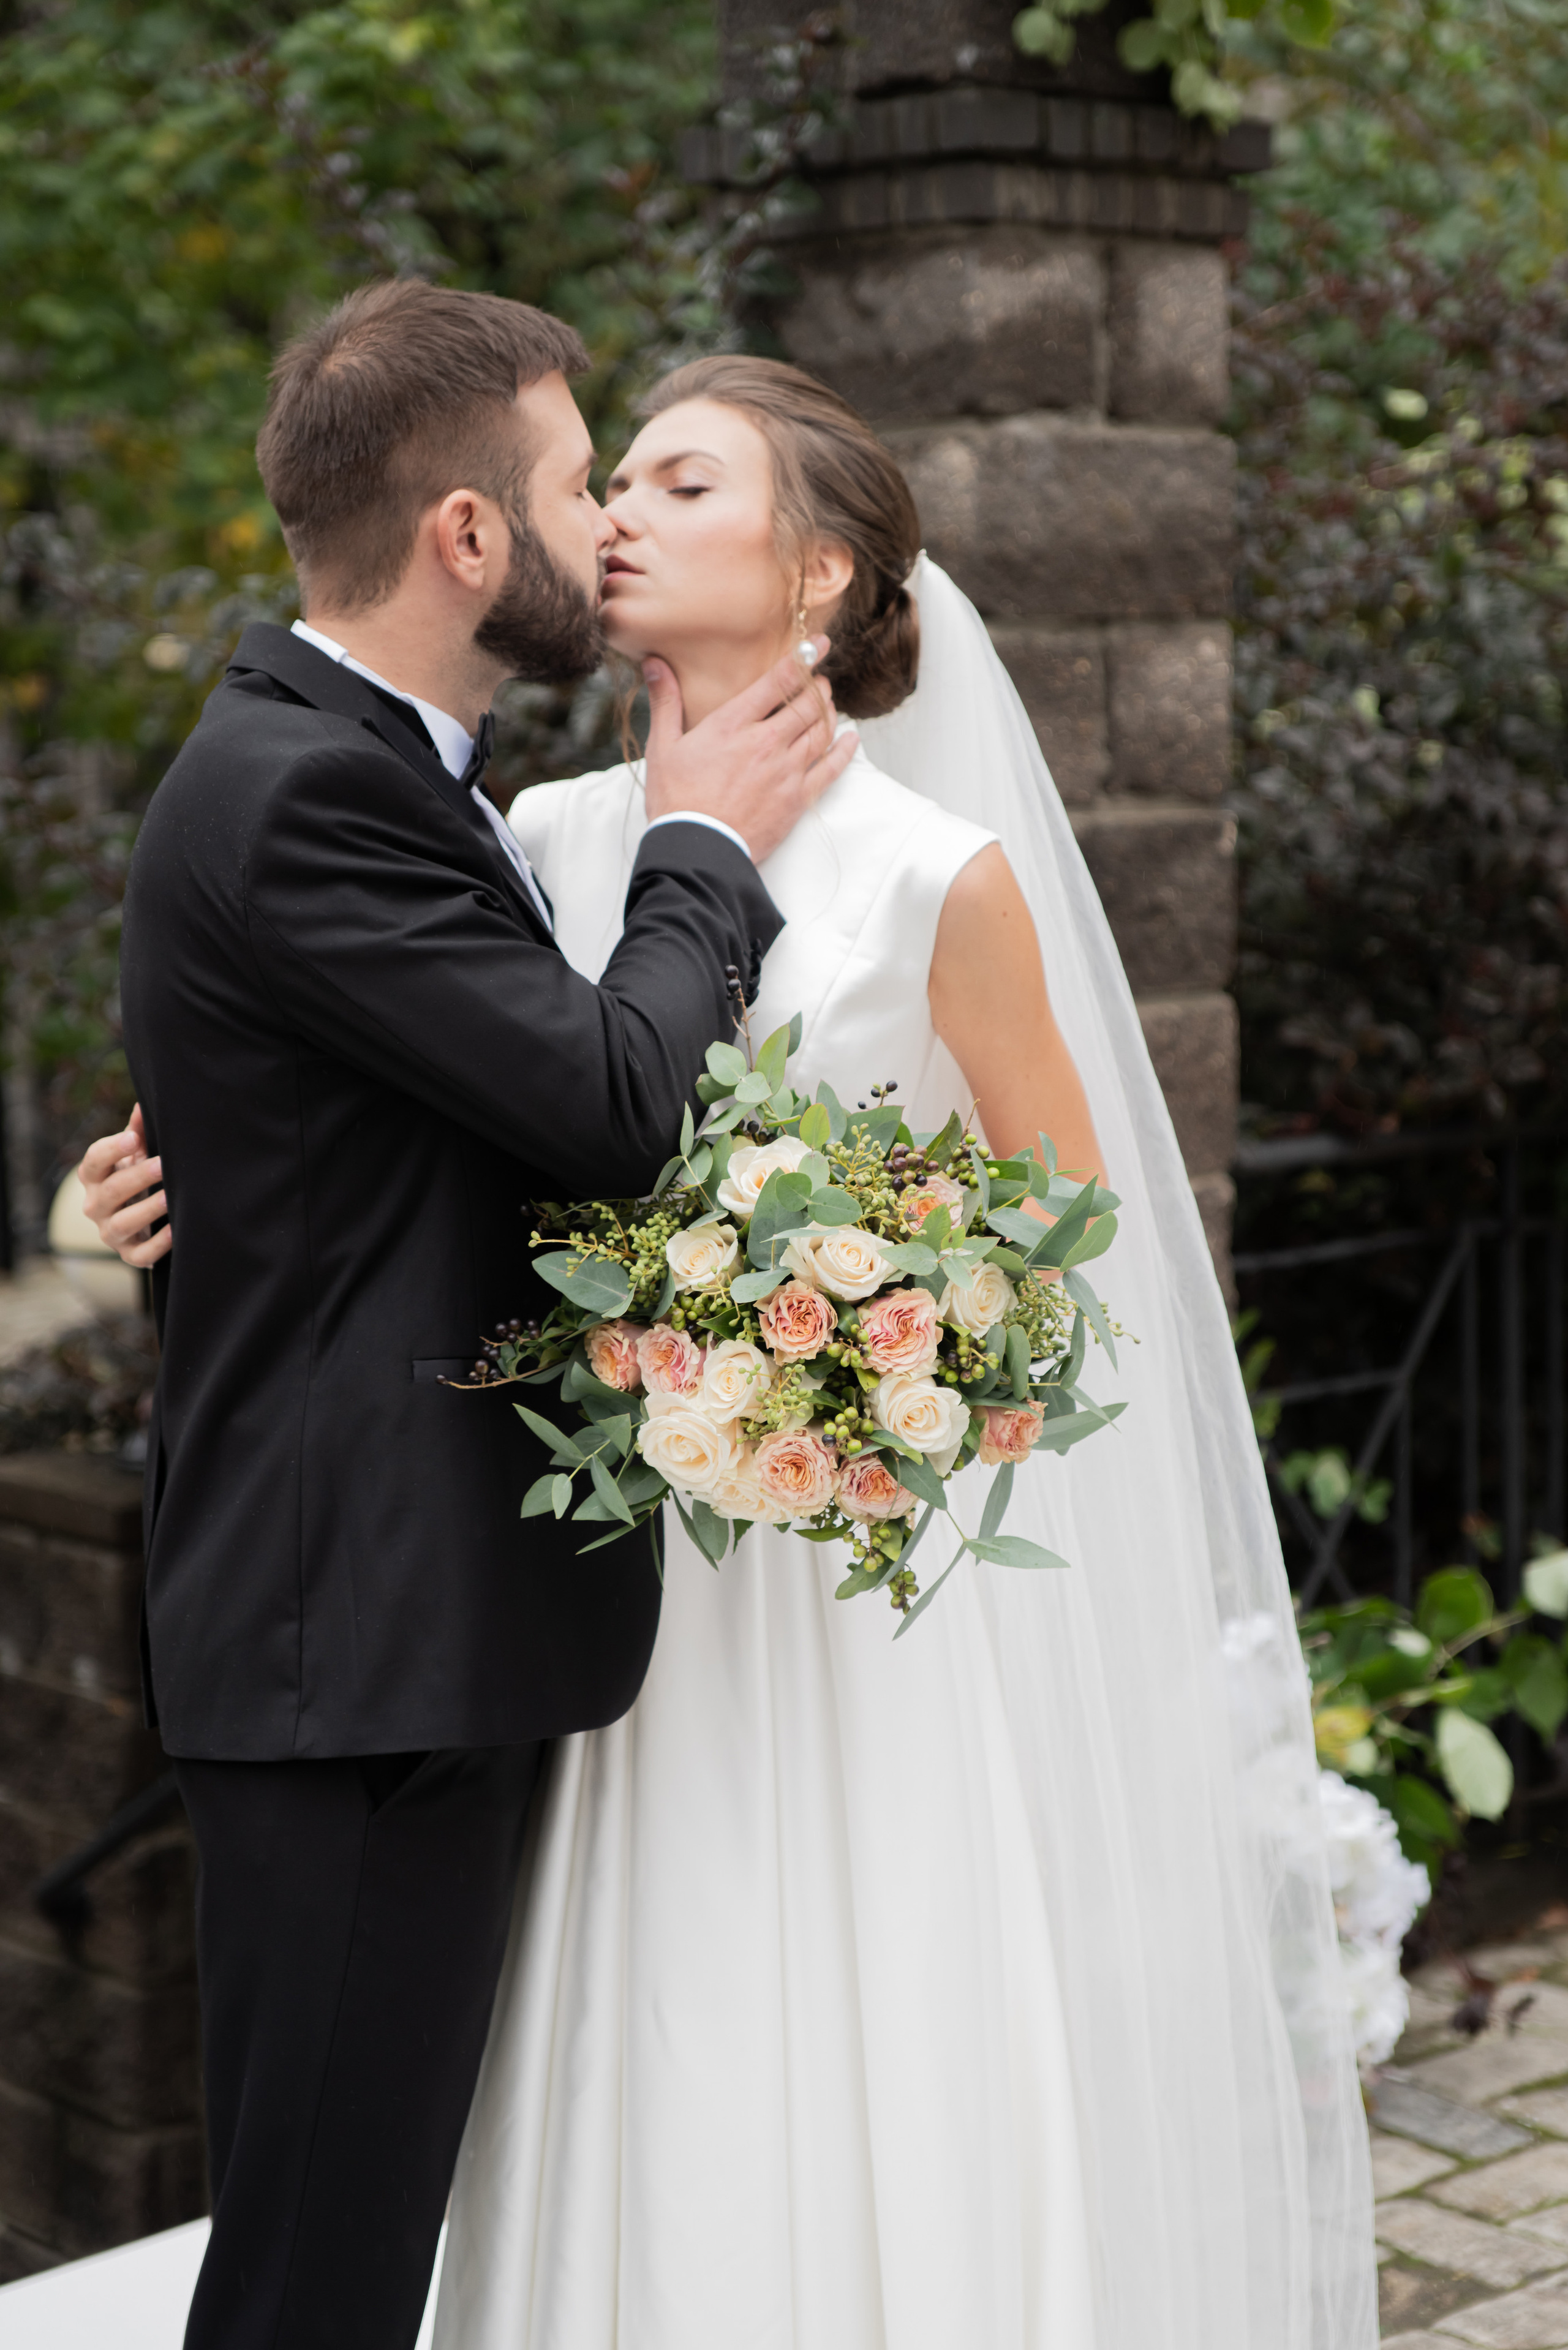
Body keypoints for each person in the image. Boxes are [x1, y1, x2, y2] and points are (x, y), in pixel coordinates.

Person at [84, 356, 1379, 2348]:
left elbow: (1071, 1249)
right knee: (620, 2062)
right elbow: (461, 1104)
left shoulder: (939, 875)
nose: (611, 515)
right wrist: (190, 1178)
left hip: (829, 1600)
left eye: (676, 482)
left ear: (815, 573)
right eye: (606, 479)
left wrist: (869, 1378)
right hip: (593, 1609)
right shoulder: (545, 832)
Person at [84, 285, 855, 2350]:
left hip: (398, 1649)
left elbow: (383, 1120)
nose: (605, 516)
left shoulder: (389, 774)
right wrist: (712, 848)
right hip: (362, 1662)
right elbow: (608, 1102)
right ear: (462, 539)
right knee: (318, 2280)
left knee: (346, 2240)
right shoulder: (307, 790)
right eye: (577, 476)